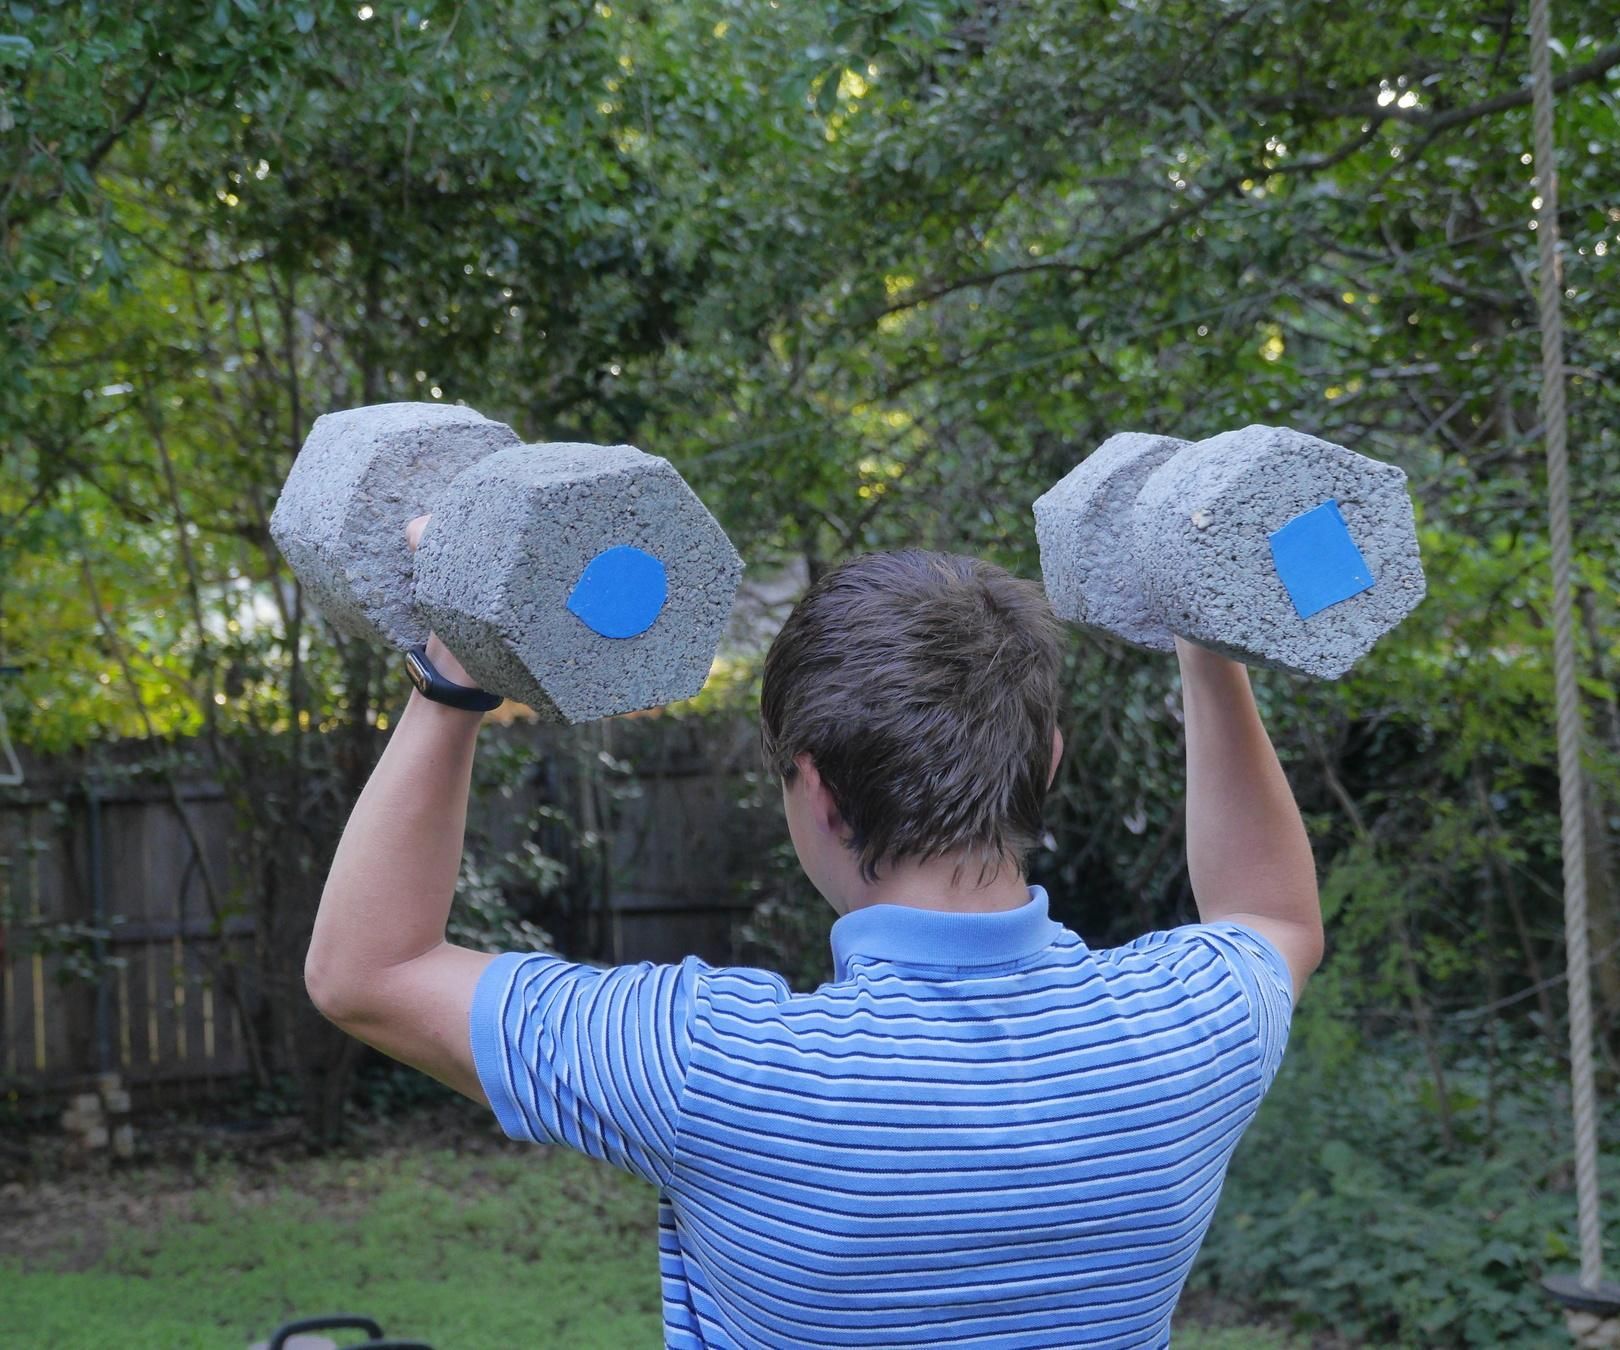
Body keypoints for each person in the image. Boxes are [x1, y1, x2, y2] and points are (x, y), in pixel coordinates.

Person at [305, 541, 1323, 1349]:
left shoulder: (714, 1066)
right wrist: (1206, 640)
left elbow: (368, 971)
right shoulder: (1192, 1031)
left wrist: (455, 670)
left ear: (819, 793)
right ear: (1047, 761)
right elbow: (1273, 915)